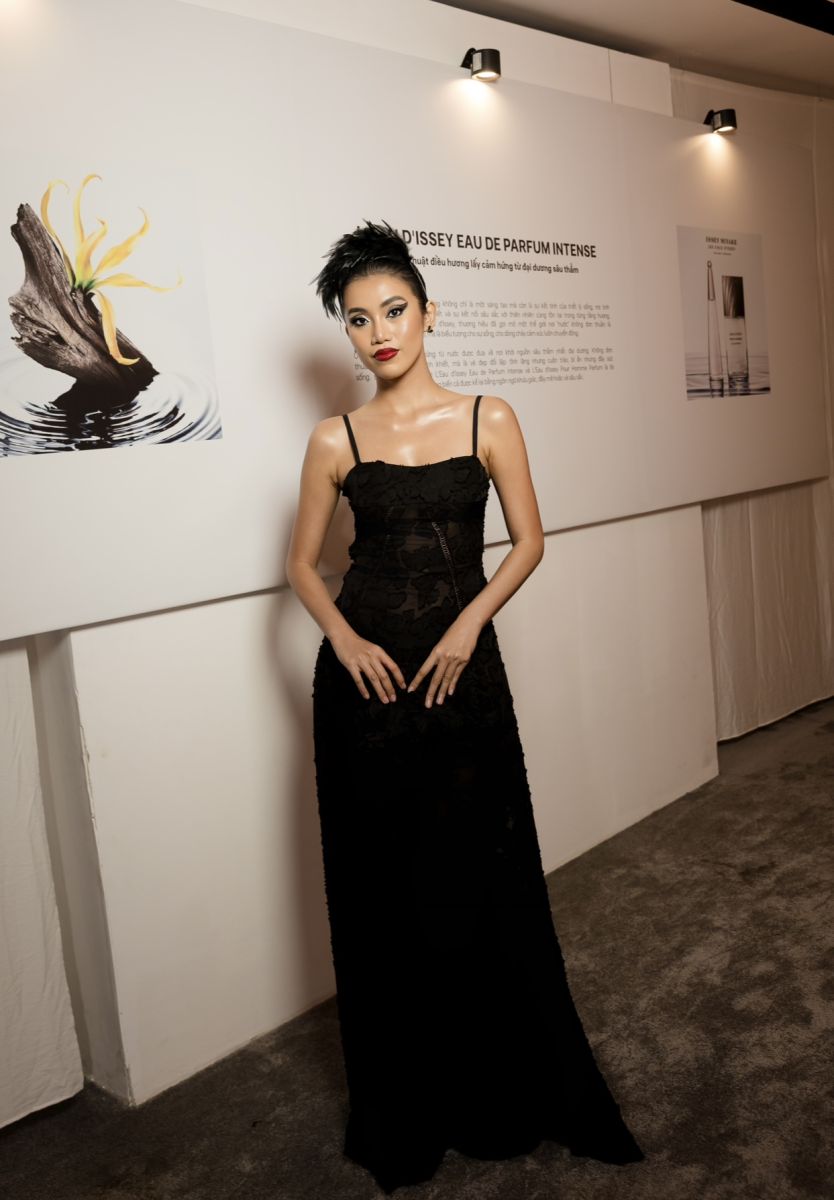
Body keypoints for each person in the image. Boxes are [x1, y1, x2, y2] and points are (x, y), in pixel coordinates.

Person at [285, 220, 644, 1194]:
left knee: (481, 878)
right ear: (346, 332)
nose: (379, 332)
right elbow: (303, 567)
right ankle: (407, 1109)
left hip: (460, 679)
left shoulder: (489, 416)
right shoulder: (334, 439)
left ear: (429, 312)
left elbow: (528, 541)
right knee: (383, 893)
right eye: (358, 319)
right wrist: (345, 640)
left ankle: (500, 1093)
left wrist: (467, 624)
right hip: (364, 693)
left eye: (394, 310)